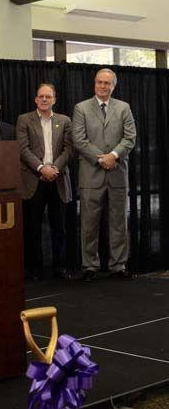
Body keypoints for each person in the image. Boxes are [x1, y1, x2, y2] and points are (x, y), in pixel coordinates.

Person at [72, 68, 136, 282]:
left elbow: (130, 138)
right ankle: (89, 266)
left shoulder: (124, 108)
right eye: (100, 82)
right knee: (89, 223)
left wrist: (114, 155)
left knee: (119, 222)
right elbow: (79, 140)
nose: (103, 86)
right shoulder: (81, 108)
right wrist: (101, 159)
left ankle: (118, 265)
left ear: (113, 86)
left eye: (107, 83)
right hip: (91, 174)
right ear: (94, 84)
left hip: (117, 174)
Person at [17, 83, 74, 280]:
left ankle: (60, 266)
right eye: (41, 96)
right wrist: (42, 168)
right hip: (34, 179)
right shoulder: (24, 120)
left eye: (48, 97)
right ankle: (35, 269)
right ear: (35, 99)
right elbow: (23, 149)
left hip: (57, 179)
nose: (44, 99)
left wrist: (54, 168)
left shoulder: (65, 120)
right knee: (33, 228)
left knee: (60, 227)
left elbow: (69, 149)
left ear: (54, 100)